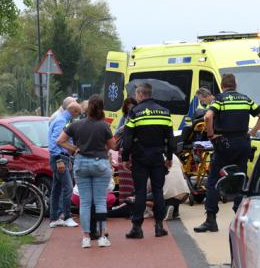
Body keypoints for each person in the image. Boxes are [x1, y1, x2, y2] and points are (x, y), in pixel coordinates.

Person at [194, 73, 260, 233]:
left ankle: (211, 220)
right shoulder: (246, 99)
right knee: (240, 178)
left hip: (224, 143)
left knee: (213, 180)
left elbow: (208, 116)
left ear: (222, 85)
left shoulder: (220, 99)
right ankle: (241, 219)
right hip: (243, 143)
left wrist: (211, 135)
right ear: (236, 85)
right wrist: (252, 132)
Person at [56, 95, 115, 249]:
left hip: (81, 164)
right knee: (100, 202)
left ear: (87, 109)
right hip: (100, 164)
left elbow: (59, 141)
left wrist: (75, 149)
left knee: (85, 203)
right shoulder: (104, 126)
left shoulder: (76, 124)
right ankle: (102, 237)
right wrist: (104, 148)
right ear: (101, 108)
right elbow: (113, 146)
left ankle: (86, 237)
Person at [122, 83, 175, 239]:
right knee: (158, 191)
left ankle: (137, 228)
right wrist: (170, 157)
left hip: (140, 158)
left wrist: (125, 157)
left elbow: (127, 138)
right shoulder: (164, 112)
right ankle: (159, 227)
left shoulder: (135, 112)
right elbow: (170, 139)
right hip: (158, 157)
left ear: (139, 94)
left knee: (140, 192)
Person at [48, 101, 81, 228]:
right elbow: (54, 142)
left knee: (56, 189)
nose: (77, 116)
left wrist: (67, 158)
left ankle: (54, 218)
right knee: (68, 187)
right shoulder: (62, 121)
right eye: (77, 113)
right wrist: (59, 160)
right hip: (59, 157)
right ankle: (67, 216)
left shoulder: (60, 119)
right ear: (73, 111)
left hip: (62, 157)